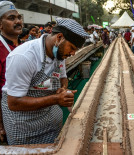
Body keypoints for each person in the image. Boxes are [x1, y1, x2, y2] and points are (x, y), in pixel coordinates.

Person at [1, 18, 89, 145]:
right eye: (72, 48)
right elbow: (14, 103)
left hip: (50, 121)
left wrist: (63, 88)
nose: (73, 53)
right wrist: (56, 99)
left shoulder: (59, 53)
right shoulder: (24, 57)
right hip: (25, 128)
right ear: (59, 37)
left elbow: (63, 77)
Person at [0, 1, 22, 143]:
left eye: (19, 17)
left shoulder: (23, 47)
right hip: (6, 115)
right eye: (11, 18)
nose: (18, 21)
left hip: (23, 112)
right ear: (0, 24)